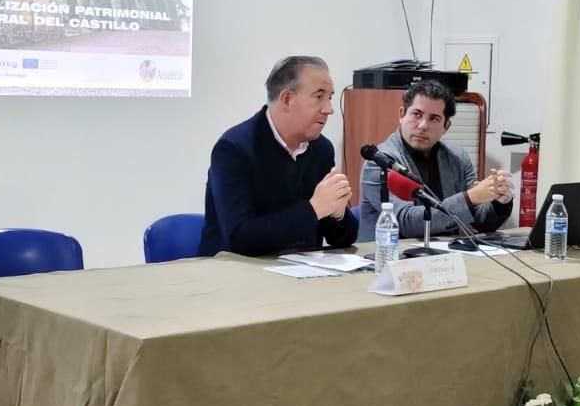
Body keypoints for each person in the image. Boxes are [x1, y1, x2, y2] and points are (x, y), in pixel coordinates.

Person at [198, 56, 360, 257]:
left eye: (330, 98)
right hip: (234, 275)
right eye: (319, 97)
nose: (329, 109)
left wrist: (338, 213)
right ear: (287, 99)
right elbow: (240, 239)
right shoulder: (234, 149)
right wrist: (314, 209)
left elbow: (343, 240)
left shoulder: (322, 149)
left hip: (302, 275)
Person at [358, 80, 512, 241]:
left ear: (446, 127)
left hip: (445, 258)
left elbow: (478, 220)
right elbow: (405, 223)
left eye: (434, 119)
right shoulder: (379, 162)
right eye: (416, 114)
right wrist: (470, 197)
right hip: (388, 257)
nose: (423, 125)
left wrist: (499, 201)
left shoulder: (458, 158)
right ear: (402, 115)